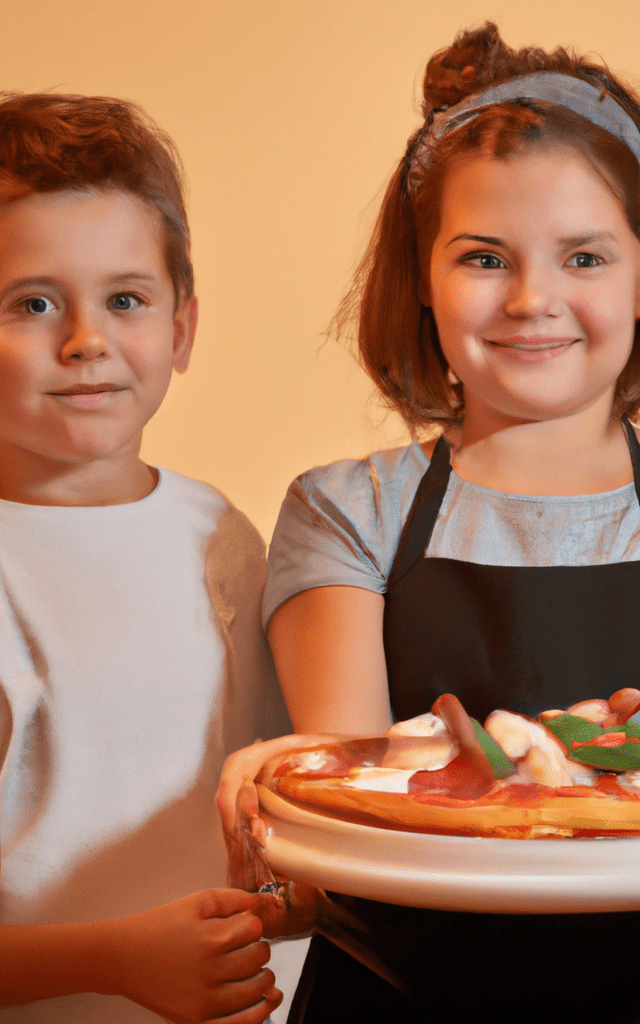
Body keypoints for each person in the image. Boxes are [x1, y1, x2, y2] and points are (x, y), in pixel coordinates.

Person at [219, 22, 640, 1023]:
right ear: (422, 279)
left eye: (584, 256)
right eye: (482, 257)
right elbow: (344, 800)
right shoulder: (346, 509)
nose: (531, 298)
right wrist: (283, 780)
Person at [0, 93, 290, 1023]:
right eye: (33, 303)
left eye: (125, 300)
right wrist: (115, 959)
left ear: (181, 329)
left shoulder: (221, 532)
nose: (86, 340)